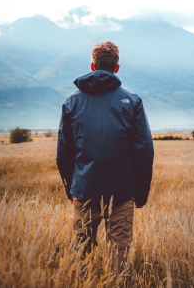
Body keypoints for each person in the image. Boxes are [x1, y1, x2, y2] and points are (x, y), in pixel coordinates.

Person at [56, 41, 154, 273]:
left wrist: (71, 189)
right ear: (117, 68)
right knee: (119, 252)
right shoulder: (132, 102)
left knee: (83, 252)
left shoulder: (72, 103)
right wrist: (140, 193)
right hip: (122, 191)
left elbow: (63, 153)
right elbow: (144, 151)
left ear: (92, 66)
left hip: (84, 190)